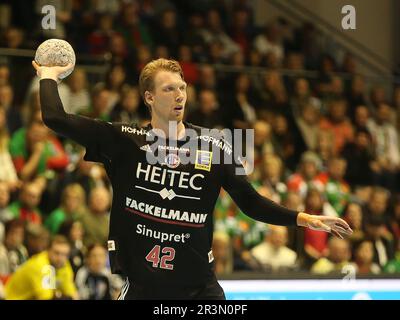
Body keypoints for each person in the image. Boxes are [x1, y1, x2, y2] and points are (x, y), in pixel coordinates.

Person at [33, 58, 352, 300]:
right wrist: (48, 76)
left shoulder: (217, 144)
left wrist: (303, 218)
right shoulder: (124, 140)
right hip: (145, 289)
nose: (179, 95)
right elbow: (55, 118)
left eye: (182, 87)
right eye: (168, 88)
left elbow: (250, 201)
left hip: (200, 289)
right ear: (148, 97)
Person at [4, 235, 77, 300]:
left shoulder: (64, 264)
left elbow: (72, 294)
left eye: (64, 254)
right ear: (48, 250)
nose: (60, 258)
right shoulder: (39, 265)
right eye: (56, 253)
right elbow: (46, 298)